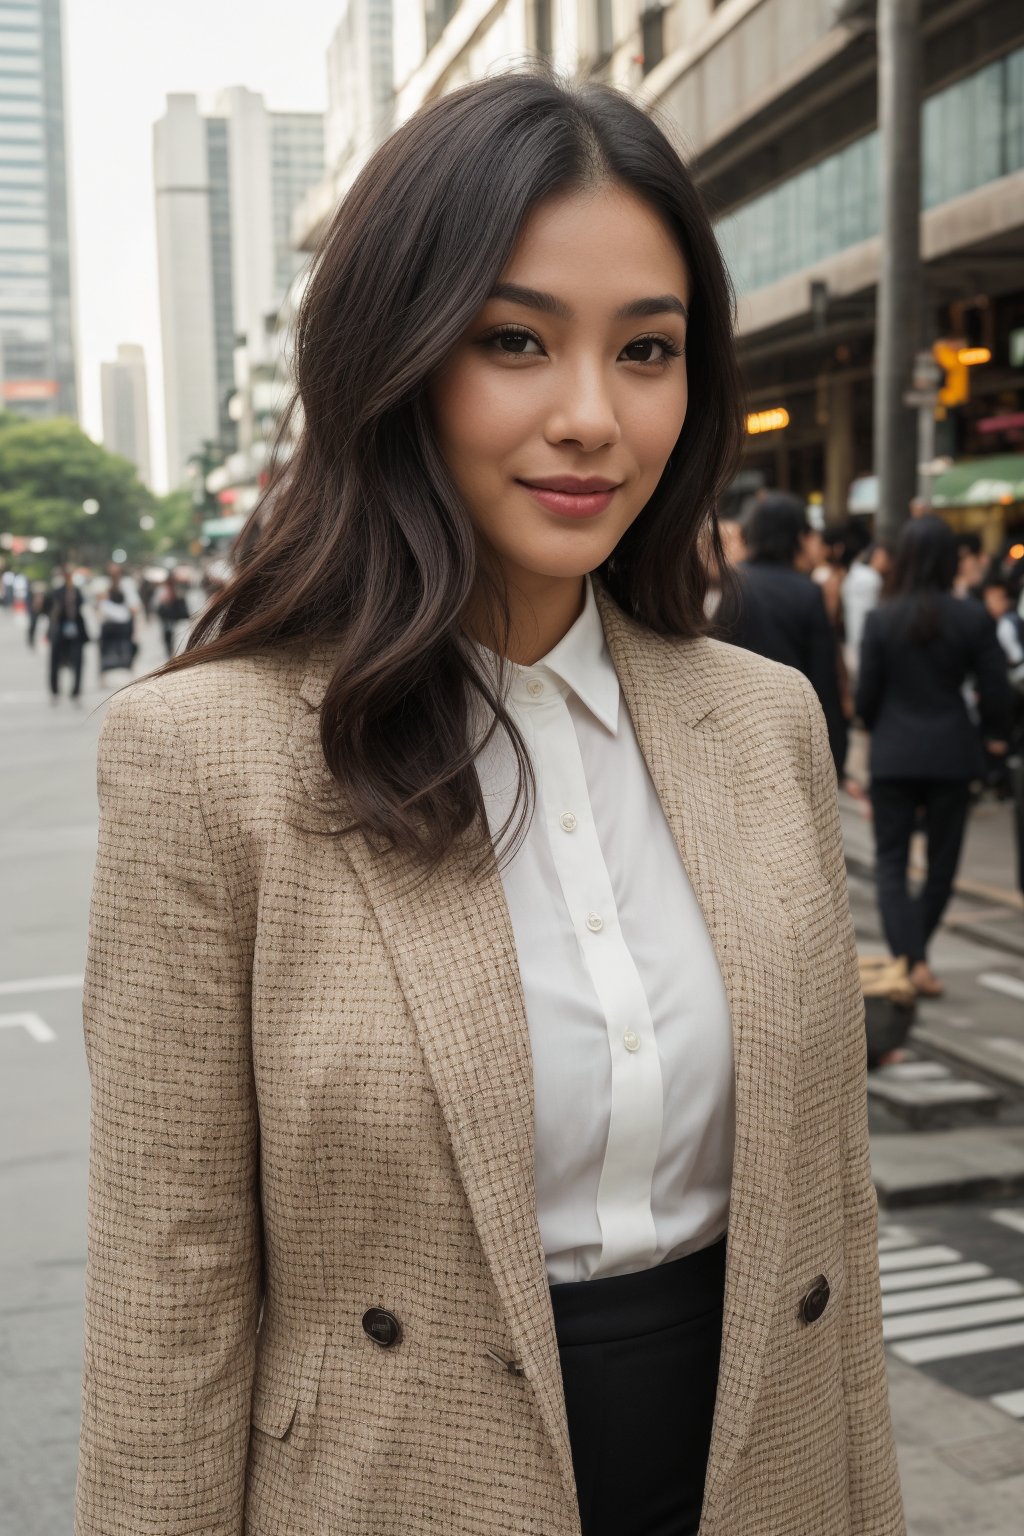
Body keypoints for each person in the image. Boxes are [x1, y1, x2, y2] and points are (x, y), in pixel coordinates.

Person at [76, 72, 903, 1536]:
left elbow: (832, 1230)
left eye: (647, 350)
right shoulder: (208, 760)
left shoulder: (761, 720)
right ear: (396, 357)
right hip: (408, 1484)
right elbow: (169, 1291)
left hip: (759, 1478)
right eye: (515, 341)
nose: (593, 416)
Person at [856, 516, 1011, 998]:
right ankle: (917, 956)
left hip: (894, 753)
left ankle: (909, 958)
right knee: (942, 865)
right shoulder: (972, 617)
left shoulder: (883, 617)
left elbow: (866, 698)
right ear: (951, 560)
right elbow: (996, 690)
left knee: (890, 862)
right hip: (951, 753)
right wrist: (995, 738)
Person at [726, 491, 848, 775]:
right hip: (788, 730)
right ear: (796, 535)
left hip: (736, 726)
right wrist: (835, 750)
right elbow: (823, 677)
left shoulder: (730, 583)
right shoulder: (805, 592)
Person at [843, 538, 893, 680]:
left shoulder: (853, 573)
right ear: (878, 555)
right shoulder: (872, 578)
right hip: (866, 643)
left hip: (852, 643)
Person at [44, 567, 90, 703]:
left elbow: (81, 606)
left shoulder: (77, 591)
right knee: (55, 662)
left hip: (75, 630)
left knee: (78, 661)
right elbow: (49, 609)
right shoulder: (57, 592)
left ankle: (76, 690)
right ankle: (55, 690)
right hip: (59, 629)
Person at [97, 579, 137, 677]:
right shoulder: (105, 603)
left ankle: (127, 668)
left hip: (121, 630)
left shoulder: (121, 599)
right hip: (111, 631)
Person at [155, 573, 190, 658]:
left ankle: (172, 651)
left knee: (174, 636)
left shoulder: (177, 590)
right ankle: (170, 651)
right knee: (168, 635)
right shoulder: (162, 590)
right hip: (167, 616)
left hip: (175, 616)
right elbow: (158, 605)